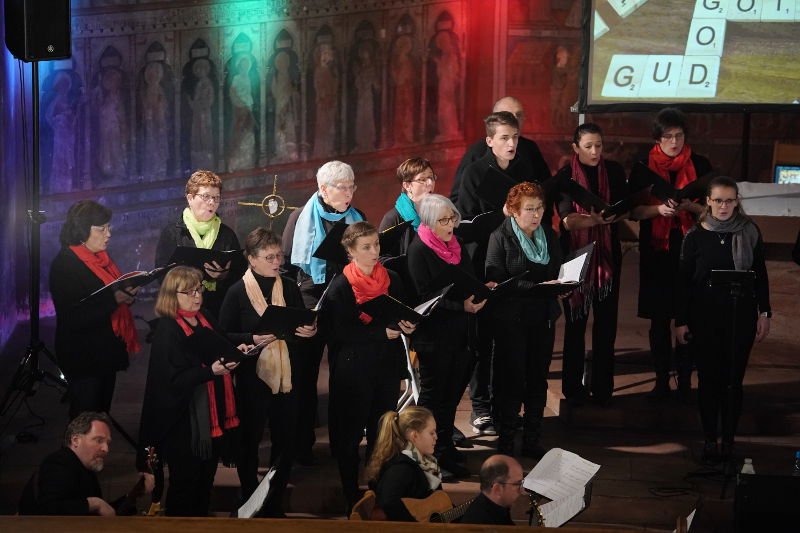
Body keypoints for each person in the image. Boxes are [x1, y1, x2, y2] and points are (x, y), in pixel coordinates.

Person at [218, 228, 317, 516]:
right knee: (250, 442)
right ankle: (250, 498)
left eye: (279, 256)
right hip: (253, 378)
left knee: (285, 441)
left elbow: (300, 323)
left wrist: (308, 330)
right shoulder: (237, 292)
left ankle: (273, 500)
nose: (277, 262)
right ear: (251, 259)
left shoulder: (287, 286)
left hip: (287, 376)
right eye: (269, 257)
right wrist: (251, 337)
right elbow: (224, 334)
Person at [675, 177, 771, 464]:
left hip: (739, 315)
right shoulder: (695, 235)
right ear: (708, 201)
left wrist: (764, 312)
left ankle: (728, 441)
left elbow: (760, 275)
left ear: (737, 201)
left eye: (730, 200)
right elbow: (684, 283)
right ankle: (709, 440)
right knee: (707, 380)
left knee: (733, 381)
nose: (724, 206)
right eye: (718, 200)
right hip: (704, 316)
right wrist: (681, 321)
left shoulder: (749, 231)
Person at [323, 222, 416, 512]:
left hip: (385, 366)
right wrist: (379, 333)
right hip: (353, 369)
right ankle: (351, 493)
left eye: (376, 244)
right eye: (366, 247)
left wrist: (407, 324)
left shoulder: (392, 279)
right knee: (351, 434)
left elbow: (402, 313)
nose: (375, 251)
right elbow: (336, 333)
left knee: (382, 431)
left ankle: (377, 488)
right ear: (350, 251)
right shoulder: (340, 286)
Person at [137, 266, 243, 516]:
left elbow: (222, 340)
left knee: (205, 484)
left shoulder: (203, 316)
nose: (197, 296)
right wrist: (210, 372)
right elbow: (170, 381)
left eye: (199, 289)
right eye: (189, 292)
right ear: (172, 295)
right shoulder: (168, 329)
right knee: (184, 487)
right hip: (184, 424)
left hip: (211, 421)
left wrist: (248, 341)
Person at [282, 160, 366, 465]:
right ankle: (302, 444)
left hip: (344, 304)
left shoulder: (357, 218)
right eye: (342, 187)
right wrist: (296, 316)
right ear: (323, 189)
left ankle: (343, 444)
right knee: (305, 377)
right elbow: (287, 271)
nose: (348, 193)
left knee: (345, 376)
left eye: (351, 186)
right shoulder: (298, 218)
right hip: (310, 305)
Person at [630, 108, 712, 400]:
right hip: (658, 250)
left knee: (689, 315)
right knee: (659, 317)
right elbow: (633, 210)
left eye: (679, 136)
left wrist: (688, 207)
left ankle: (687, 379)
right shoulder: (644, 167)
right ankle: (662, 378)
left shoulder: (700, 165)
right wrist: (658, 210)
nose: (675, 142)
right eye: (668, 137)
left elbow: (714, 212)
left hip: (692, 249)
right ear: (657, 139)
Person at [407, 194, 489, 478]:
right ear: (429, 222)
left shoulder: (456, 245)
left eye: (452, 217)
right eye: (443, 220)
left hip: (461, 335)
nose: (451, 224)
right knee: (433, 398)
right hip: (434, 338)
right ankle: (425, 457)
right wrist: (461, 305)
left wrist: (481, 291)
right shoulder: (419, 250)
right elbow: (424, 299)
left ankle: (444, 449)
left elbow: (466, 280)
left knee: (451, 398)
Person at [485, 182, 562, 458]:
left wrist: (559, 283)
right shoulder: (501, 236)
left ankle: (532, 438)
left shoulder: (549, 236)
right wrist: (535, 287)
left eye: (540, 208)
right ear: (514, 212)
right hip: (512, 320)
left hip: (542, 317)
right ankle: (506, 440)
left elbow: (557, 269)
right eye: (529, 209)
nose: (536, 214)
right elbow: (495, 279)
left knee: (537, 379)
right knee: (511, 380)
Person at [555, 123, 628, 406]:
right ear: (575, 148)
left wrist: (614, 216)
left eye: (599, 145)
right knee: (576, 323)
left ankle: (602, 387)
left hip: (608, 256)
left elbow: (625, 209)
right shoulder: (565, 177)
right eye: (588, 146)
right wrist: (594, 220)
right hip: (575, 256)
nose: (595, 151)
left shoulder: (614, 171)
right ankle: (572, 388)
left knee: (606, 324)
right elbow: (565, 220)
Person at [49, 200, 140, 419]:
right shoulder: (65, 264)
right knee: (84, 419)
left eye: (109, 227)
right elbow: (73, 316)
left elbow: (107, 295)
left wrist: (125, 296)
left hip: (105, 351)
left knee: (99, 415)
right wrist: (114, 299)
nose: (108, 234)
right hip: (82, 355)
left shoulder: (102, 259)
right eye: (101, 229)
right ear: (82, 231)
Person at [19, 411, 154, 516]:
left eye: (107, 442)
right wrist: (94, 503)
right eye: (98, 440)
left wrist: (135, 494)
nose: (106, 449)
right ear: (76, 440)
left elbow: (102, 514)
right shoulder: (59, 463)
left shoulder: (84, 469)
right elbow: (48, 509)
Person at [154, 169, 242, 318]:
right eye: (206, 196)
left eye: (216, 198)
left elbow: (239, 275)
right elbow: (161, 275)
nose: (212, 202)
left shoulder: (227, 234)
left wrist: (223, 277)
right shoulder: (172, 233)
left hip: (219, 309)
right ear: (190, 198)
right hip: (182, 312)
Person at [450, 96, 551, 205]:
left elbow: (546, 188)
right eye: (508, 116)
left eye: (519, 115)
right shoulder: (476, 155)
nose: (515, 120)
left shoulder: (530, 148)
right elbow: (458, 200)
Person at [367, 407, 441, 522]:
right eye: (431, 432)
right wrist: (416, 526)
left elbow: (440, 506)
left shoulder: (427, 464)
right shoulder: (402, 468)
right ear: (414, 436)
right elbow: (388, 502)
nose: (436, 437)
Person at [378, 157, 437, 258]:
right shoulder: (393, 218)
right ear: (407, 185)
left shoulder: (438, 212)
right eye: (422, 179)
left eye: (431, 178)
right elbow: (381, 256)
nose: (430, 183)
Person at [459, 454, 523, 525]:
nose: (520, 490)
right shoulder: (481, 524)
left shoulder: (499, 509)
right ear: (497, 489)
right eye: (517, 484)